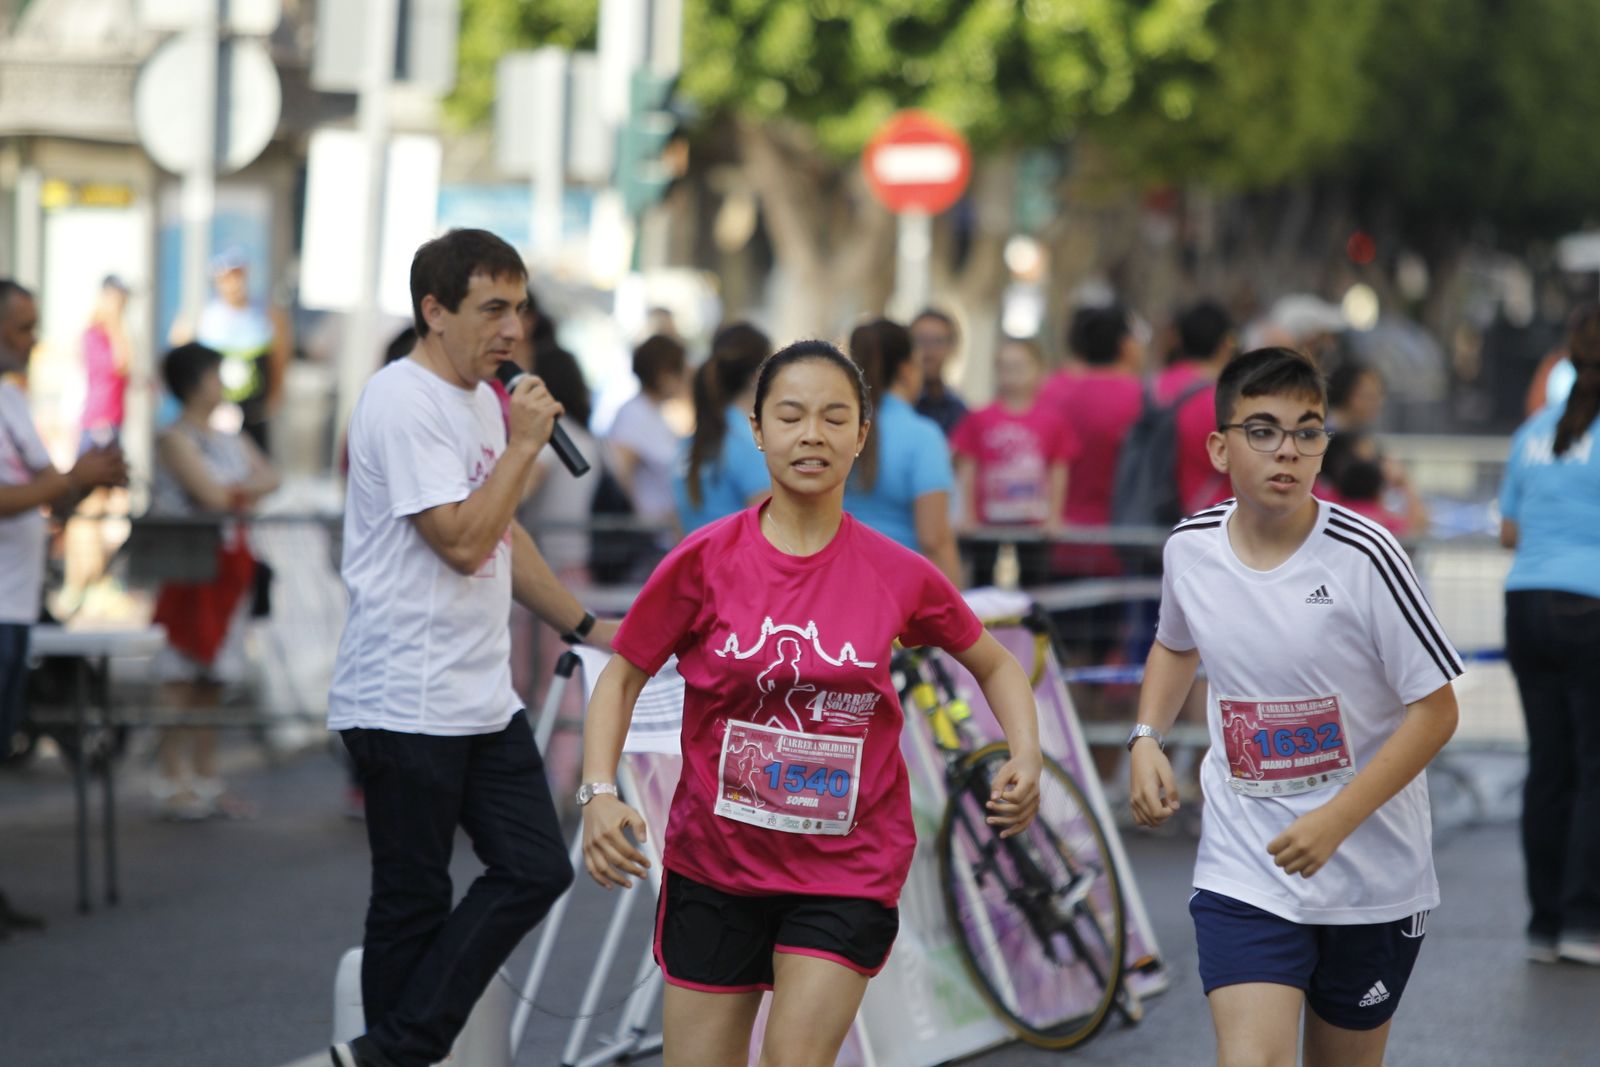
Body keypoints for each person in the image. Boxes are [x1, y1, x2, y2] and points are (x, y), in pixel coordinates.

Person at [579, 340, 1043, 1067]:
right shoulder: (704, 560)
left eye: (834, 418)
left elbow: (993, 661)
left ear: (861, 436)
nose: (812, 435)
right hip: (715, 863)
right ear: (758, 430)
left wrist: (1026, 753)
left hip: (845, 868)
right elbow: (623, 674)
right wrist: (599, 792)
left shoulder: (897, 572)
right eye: (790, 416)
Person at [327, 229, 617, 1067]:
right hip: (404, 694)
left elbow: (504, 536)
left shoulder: (483, 399)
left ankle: (393, 1048)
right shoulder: (402, 399)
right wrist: (525, 447)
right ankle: (399, 1050)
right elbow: (459, 539)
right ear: (434, 310)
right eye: (492, 308)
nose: (512, 329)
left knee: (535, 864)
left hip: (480, 696)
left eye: (519, 308)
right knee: (412, 901)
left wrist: (588, 627)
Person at [1130, 347, 1461, 1067]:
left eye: (1308, 431)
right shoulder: (1190, 549)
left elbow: (1436, 712)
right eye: (1263, 429)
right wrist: (1146, 736)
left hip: (1372, 878)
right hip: (1245, 863)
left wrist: (1336, 820)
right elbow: (1174, 644)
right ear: (1220, 446)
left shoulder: (1367, 554)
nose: (1288, 449)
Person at [0, 278, 126, 928]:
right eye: (22, 327)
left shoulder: (14, 403)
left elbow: (50, 495)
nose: (32, 340)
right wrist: (73, 479)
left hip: (18, 606)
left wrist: (89, 477)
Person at [1498, 301, 1600, 967]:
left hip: (1523, 601)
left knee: (1549, 767)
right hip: (1589, 604)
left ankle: (1544, 921)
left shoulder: (1533, 429)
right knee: (1596, 768)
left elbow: (1508, 528)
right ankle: (1586, 921)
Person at [147, 343, 280, 819]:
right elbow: (210, 494)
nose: (220, 384)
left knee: (215, 676)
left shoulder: (226, 436)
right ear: (196, 381)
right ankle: (170, 774)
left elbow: (270, 479)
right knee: (181, 671)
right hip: (190, 568)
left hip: (230, 569)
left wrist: (230, 493)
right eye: (214, 375)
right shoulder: (174, 437)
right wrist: (235, 492)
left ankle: (204, 774)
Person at [950, 336, 1078, 588]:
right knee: (982, 582)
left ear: (1039, 370)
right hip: (988, 522)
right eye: (1005, 367)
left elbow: (1059, 468)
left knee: (1035, 585)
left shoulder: (1052, 421)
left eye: (1020, 367)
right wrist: (967, 514)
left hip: (1034, 521)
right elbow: (967, 465)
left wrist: (1054, 516)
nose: (1012, 375)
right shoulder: (979, 417)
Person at [844, 318, 961, 584]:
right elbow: (934, 539)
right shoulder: (922, 436)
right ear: (907, 370)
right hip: (899, 590)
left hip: (839, 582)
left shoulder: (839, 428)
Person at [1039, 304, 1145, 578]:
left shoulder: (1052, 392)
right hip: (1120, 542)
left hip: (1055, 539)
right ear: (1124, 345)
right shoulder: (1140, 397)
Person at [174, 248, 292, 453]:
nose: (234, 283)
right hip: (214, 415)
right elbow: (180, 358)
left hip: (254, 414)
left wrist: (273, 399)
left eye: (238, 275)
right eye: (227, 277)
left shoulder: (267, 315)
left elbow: (279, 359)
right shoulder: (204, 316)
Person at [675, 321, 771, 532]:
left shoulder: (689, 442)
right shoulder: (748, 443)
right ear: (759, 376)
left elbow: (678, 525)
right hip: (735, 564)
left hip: (696, 562)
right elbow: (770, 532)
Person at [607, 333, 688, 557]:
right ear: (664, 374)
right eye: (679, 371)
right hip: (647, 539)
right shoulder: (634, 414)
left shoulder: (655, 414)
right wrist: (644, 516)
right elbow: (620, 472)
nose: (684, 379)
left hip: (661, 535)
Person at [1160, 300, 1236, 517]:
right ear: (1225, 344)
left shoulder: (1153, 389)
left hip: (1150, 519)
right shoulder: (1221, 400)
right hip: (1212, 520)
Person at [911, 308, 968, 435]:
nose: (929, 351)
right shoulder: (891, 404)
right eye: (921, 340)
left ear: (951, 348)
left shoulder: (959, 411)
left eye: (938, 341)